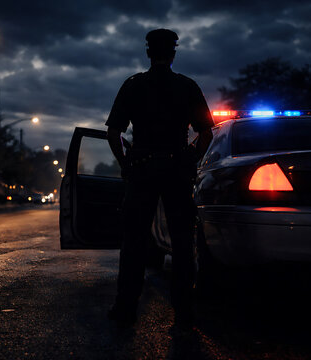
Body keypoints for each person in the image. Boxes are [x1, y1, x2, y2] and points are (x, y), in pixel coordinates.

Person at [105, 28, 214, 328]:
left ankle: (126, 308)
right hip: (177, 170)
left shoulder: (133, 85)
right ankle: (183, 313)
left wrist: (126, 163)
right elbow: (206, 132)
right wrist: (189, 157)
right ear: (174, 53)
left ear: (148, 52)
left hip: (141, 168)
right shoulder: (187, 86)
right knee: (181, 242)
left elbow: (114, 132)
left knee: (134, 241)